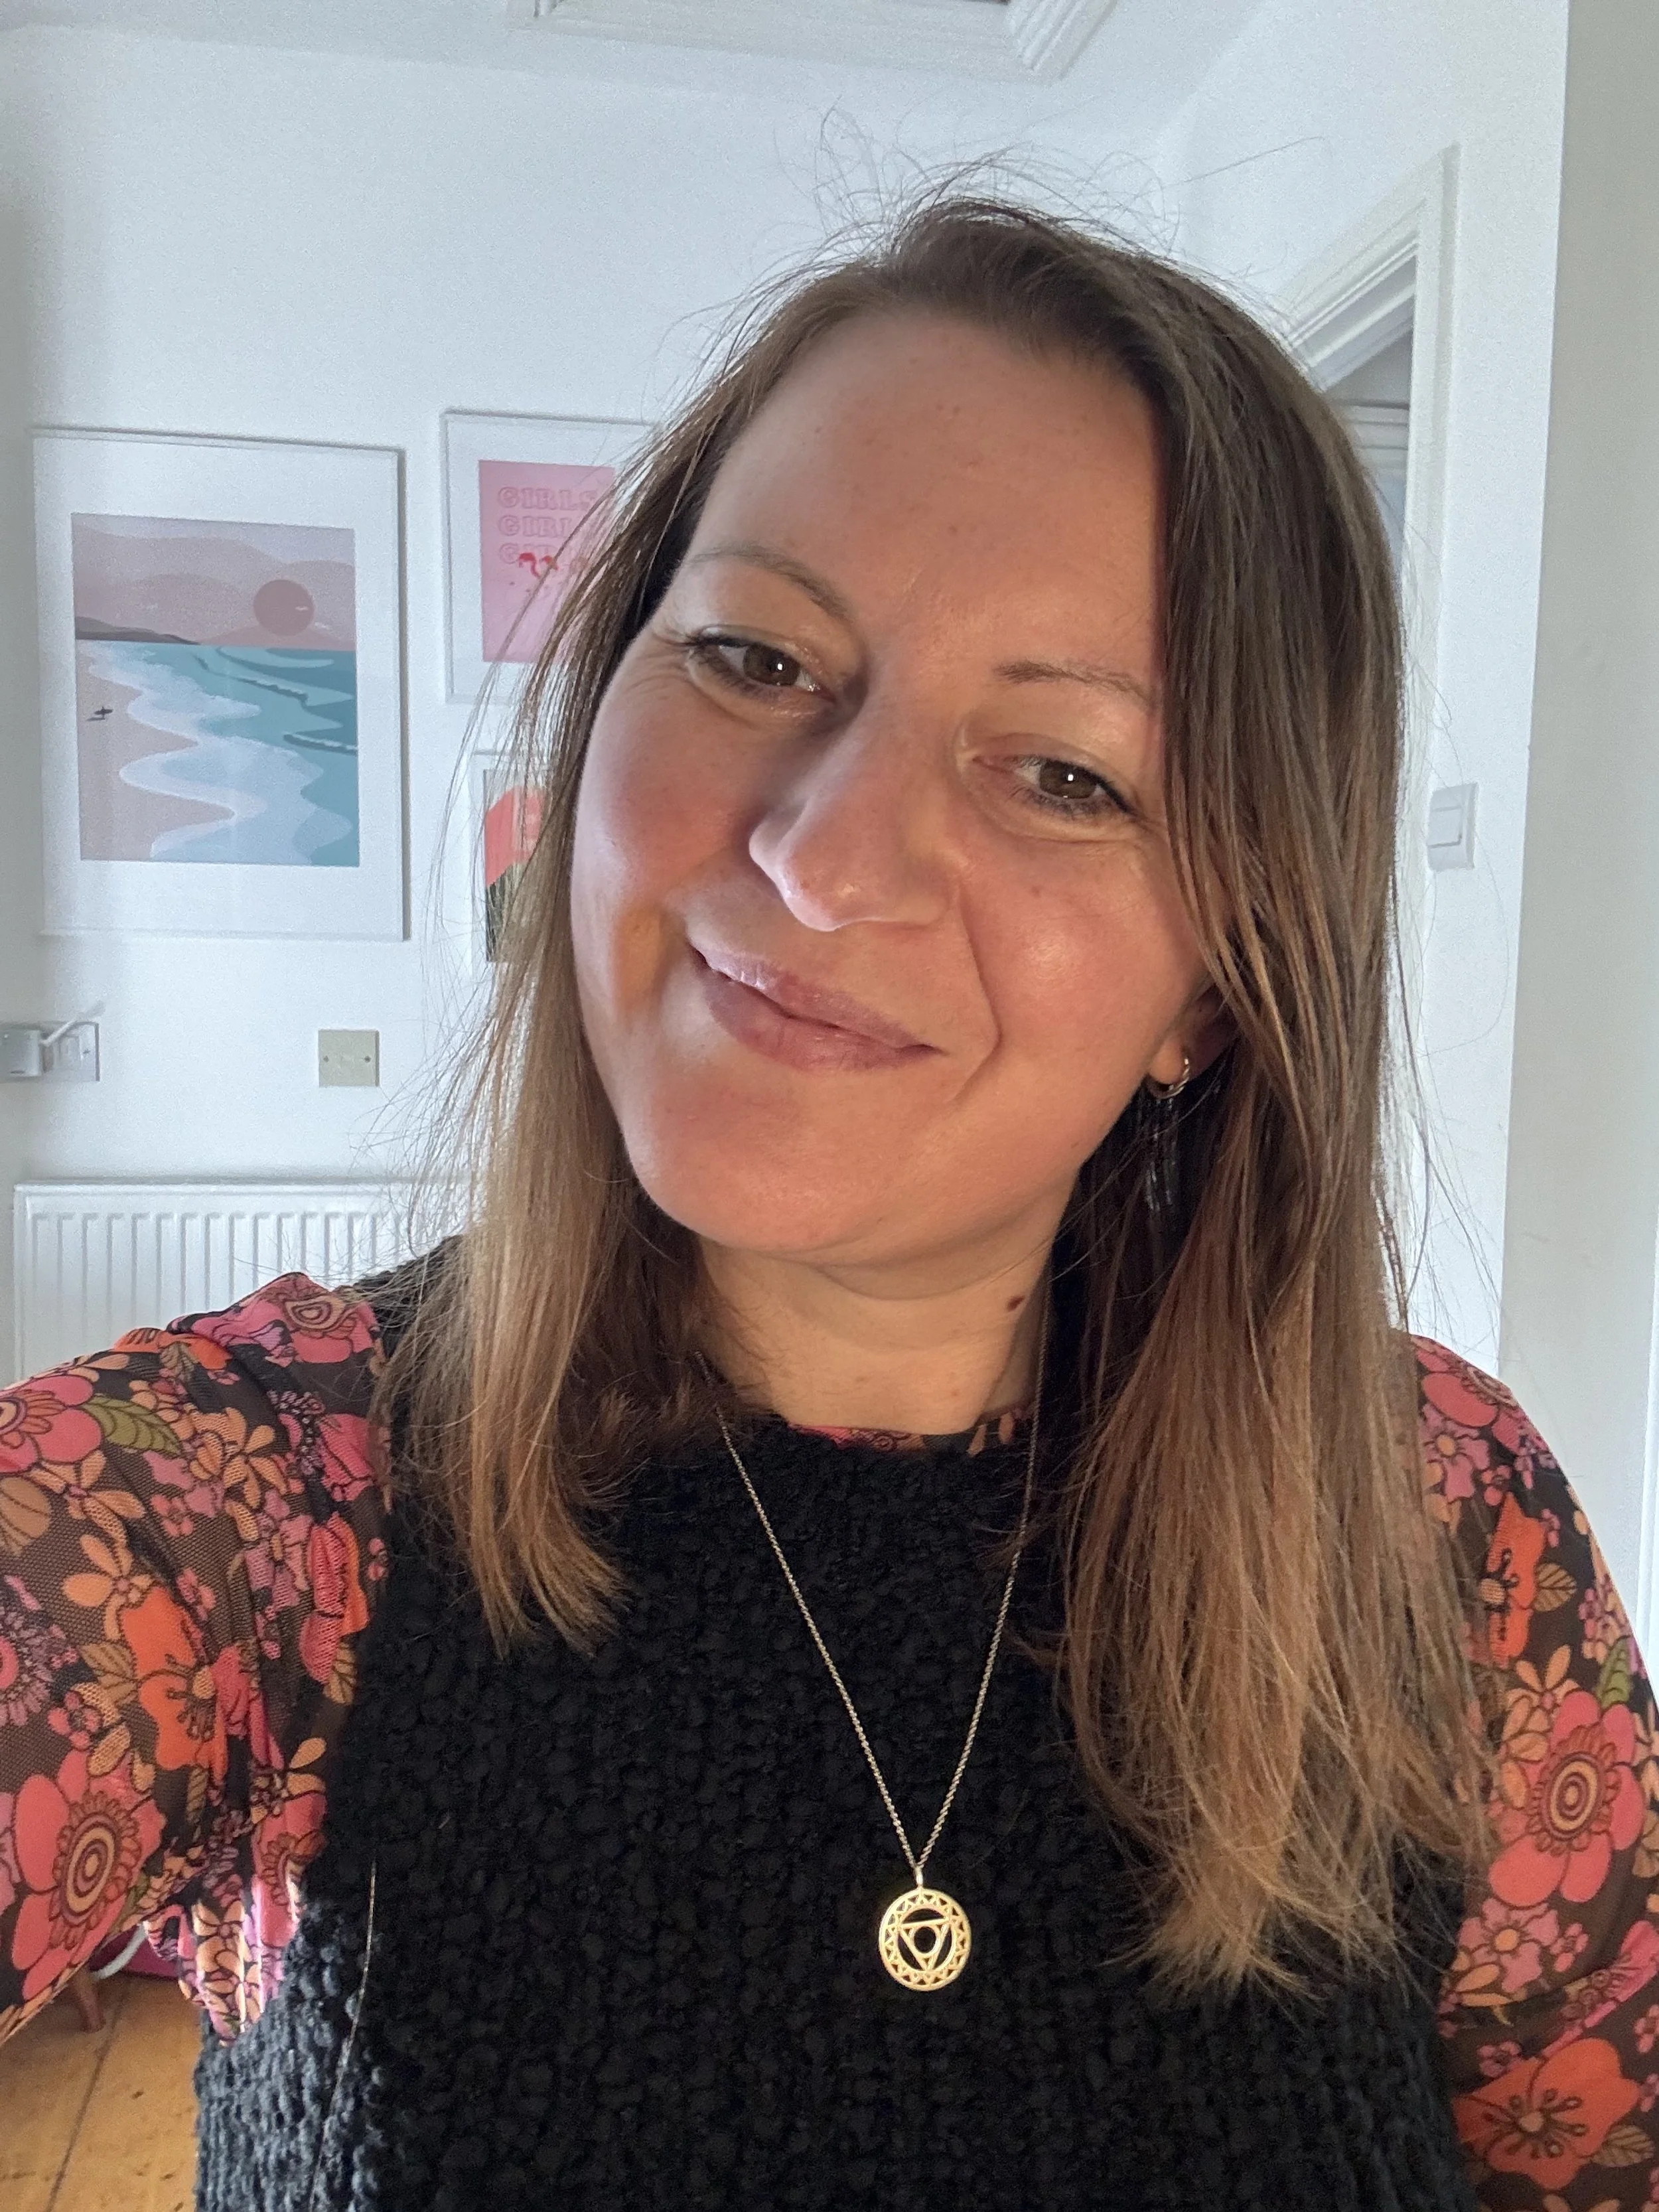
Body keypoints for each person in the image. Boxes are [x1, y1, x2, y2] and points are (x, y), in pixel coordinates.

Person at [1, 194, 1654, 2212]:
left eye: (1062, 772)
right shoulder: (241, 1511)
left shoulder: (1441, 1526)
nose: (821, 851)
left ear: (1217, 986)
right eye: (754, 652)